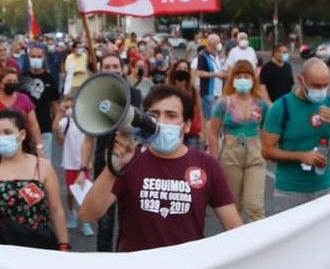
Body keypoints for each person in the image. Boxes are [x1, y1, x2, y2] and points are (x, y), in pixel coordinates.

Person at [78, 84, 241, 251]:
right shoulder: (130, 162)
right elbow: (88, 214)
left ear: (187, 125)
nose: (162, 122)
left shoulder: (207, 165)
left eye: (171, 116)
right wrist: (112, 168)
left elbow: (235, 231)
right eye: (154, 115)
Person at [0, 108, 70, 250]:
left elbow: (57, 211)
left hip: (37, 249)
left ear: (22, 134)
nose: (1, 137)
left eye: (7, 132)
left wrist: (64, 245)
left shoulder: (42, 167)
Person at [261, 57, 330, 213]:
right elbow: (267, 151)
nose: (321, 91)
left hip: (324, 188)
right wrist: (301, 156)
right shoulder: (281, 107)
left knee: (329, 235)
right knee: (291, 237)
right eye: (316, 86)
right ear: (301, 80)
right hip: (290, 191)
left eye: (326, 85)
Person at [79, 53, 138, 250]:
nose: (112, 70)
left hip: (129, 164)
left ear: (122, 69)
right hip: (103, 165)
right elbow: (88, 137)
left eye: (115, 66)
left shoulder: (134, 94)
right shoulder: (95, 97)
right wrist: (82, 167)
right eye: (107, 67)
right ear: (100, 70)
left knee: (129, 217)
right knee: (104, 220)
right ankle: (103, 265)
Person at [206, 60, 270, 222]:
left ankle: (260, 243)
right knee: (234, 206)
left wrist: (268, 150)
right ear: (233, 79)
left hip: (255, 154)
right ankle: (237, 242)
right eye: (239, 76)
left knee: (255, 206)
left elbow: (266, 130)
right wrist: (214, 160)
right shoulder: (224, 103)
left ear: (253, 79)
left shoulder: (261, 104)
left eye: (246, 76)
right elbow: (213, 132)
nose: (243, 79)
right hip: (230, 154)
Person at [53, 94, 93, 235]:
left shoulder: (86, 122)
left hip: (83, 164)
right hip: (70, 163)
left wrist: (89, 161)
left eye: (72, 106)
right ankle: (71, 213)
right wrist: (60, 112)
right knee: (71, 192)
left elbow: (91, 142)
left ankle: (86, 222)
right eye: (67, 107)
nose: (70, 109)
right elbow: (55, 127)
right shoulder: (66, 122)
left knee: (84, 193)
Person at [19, 45, 61, 161]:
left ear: (43, 58)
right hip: (24, 129)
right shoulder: (22, 78)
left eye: (39, 56)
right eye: (33, 56)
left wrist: (57, 126)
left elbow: (55, 106)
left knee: (44, 163)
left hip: (45, 129)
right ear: (28, 57)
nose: (36, 59)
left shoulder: (50, 80)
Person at [0, 66, 45, 156]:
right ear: (0, 84)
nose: (13, 84)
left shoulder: (23, 99)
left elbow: (33, 124)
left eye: (15, 81)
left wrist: (39, 146)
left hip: (22, 145)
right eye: (9, 81)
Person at [194, 33, 228, 121]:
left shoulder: (216, 55)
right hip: (209, 92)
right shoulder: (203, 55)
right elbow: (199, 73)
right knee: (210, 119)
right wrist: (215, 74)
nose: (220, 44)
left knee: (218, 119)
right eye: (218, 41)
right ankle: (209, 135)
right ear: (211, 42)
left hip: (218, 92)